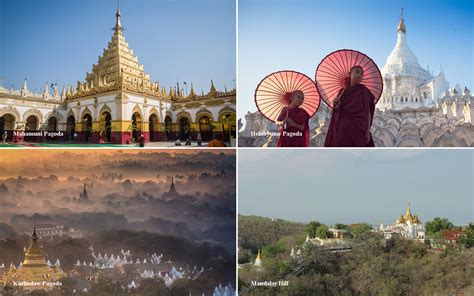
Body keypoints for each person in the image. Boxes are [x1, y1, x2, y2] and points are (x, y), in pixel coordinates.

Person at [324, 65, 375, 147]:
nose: (359, 75)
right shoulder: (342, 92)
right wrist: (336, 107)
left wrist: (367, 132)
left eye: (362, 74)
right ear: (350, 73)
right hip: (342, 129)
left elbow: (368, 113)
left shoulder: (365, 92)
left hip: (358, 129)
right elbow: (337, 112)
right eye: (357, 72)